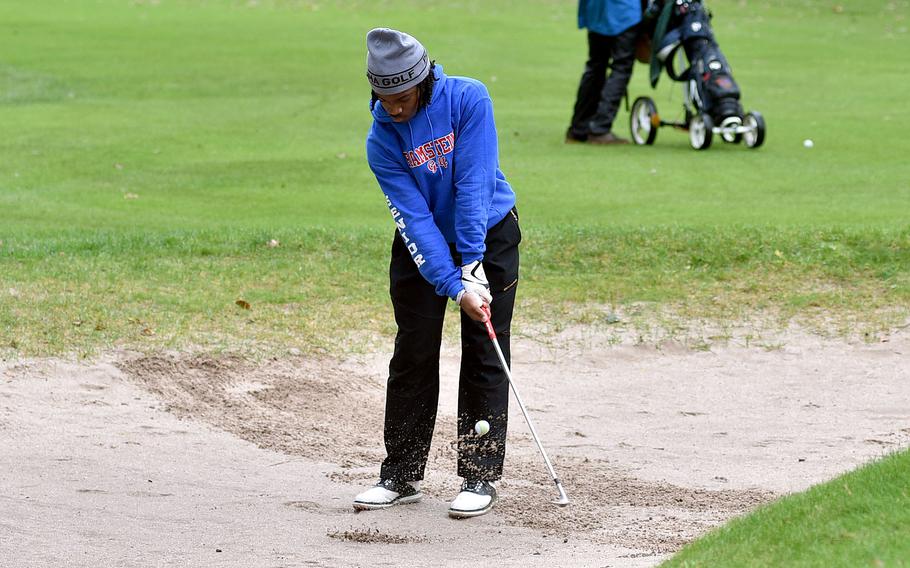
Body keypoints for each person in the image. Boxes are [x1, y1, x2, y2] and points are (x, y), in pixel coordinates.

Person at [353, 28, 521, 519]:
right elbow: (416, 220)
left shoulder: (468, 99)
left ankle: (479, 475)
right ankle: (401, 474)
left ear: (423, 81)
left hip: (488, 231)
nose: (395, 109)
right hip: (421, 245)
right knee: (414, 348)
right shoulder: (381, 138)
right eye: (384, 98)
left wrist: (472, 263)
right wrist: (452, 282)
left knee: (485, 345)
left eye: (402, 98)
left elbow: (474, 182)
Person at [566, 0, 643, 144]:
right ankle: (599, 129)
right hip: (623, 12)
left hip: (596, 10)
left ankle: (579, 128)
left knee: (595, 66)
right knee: (621, 67)